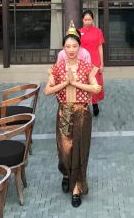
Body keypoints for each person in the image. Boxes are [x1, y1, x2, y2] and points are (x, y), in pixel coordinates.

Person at [44, 27, 101, 208]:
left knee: (79, 151)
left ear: (79, 48)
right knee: (65, 151)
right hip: (64, 113)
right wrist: (64, 82)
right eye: (67, 46)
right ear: (63, 48)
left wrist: (74, 82)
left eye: (74, 46)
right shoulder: (57, 68)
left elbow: (96, 89)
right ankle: (67, 174)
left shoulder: (87, 67)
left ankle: (77, 187)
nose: (71, 50)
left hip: (82, 113)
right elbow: (47, 91)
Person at [79, 10, 105, 117]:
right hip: (83, 61)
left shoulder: (98, 31)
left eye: (89, 19)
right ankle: (84, 105)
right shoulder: (78, 31)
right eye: (85, 19)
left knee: (95, 83)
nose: (87, 21)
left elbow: (100, 48)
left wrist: (102, 64)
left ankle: (95, 104)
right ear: (82, 20)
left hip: (95, 60)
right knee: (84, 83)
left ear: (93, 20)